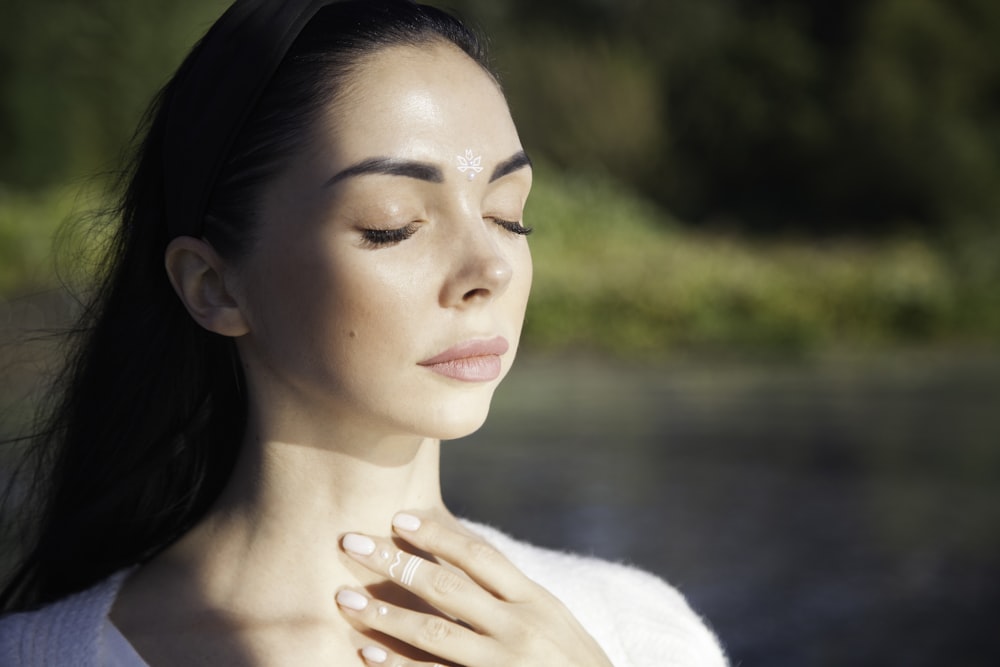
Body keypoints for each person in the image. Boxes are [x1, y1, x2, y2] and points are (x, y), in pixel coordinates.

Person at [0, 0, 727, 664]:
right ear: (213, 285)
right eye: (393, 225)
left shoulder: (635, 630)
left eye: (509, 214)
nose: (491, 268)